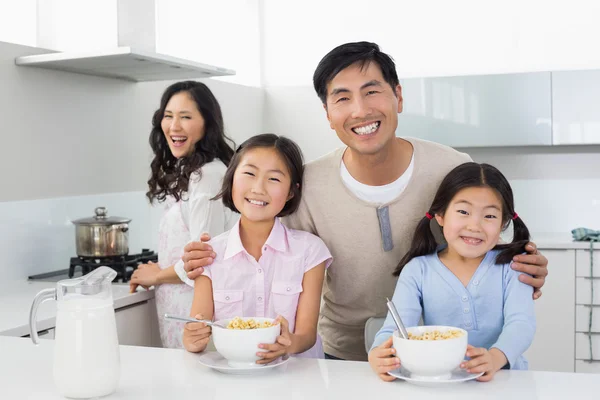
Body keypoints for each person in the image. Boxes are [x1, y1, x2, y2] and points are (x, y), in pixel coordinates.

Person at [177, 42, 549, 361]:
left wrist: (526, 265)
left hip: (438, 353)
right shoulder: (309, 183)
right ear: (327, 114)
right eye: (342, 98)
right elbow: (269, 248)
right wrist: (202, 259)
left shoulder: (452, 167)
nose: (359, 110)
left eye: (372, 91)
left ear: (398, 97)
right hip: (341, 352)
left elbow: (489, 248)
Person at [368, 162, 536, 382]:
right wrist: (377, 354)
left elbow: (521, 324)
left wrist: (495, 358)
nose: (475, 226)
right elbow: (395, 327)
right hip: (439, 379)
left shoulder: (513, 266)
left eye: (489, 216)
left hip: (504, 379)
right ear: (440, 215)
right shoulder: (418, 270)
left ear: (504, 222)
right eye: (463, 212)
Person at [181, 134, 332, 362]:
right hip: (237, 376)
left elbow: (307, 335)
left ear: (291, 191)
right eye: (249, 174)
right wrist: (192, 339)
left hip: (300, 380)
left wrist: (289, 343)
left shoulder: (310, 251)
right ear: (231, 179)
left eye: (274, 179)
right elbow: (198, 327)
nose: (258, 188)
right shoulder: (209, 254)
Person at [129, 81, 238, 348]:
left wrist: (156, 275)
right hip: (184, 310)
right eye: (168, 116)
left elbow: (205, 258)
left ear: (207, 124)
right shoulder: (194, 172)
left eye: (186, 117)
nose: (174, 126)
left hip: (200, 313)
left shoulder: (207, 176)